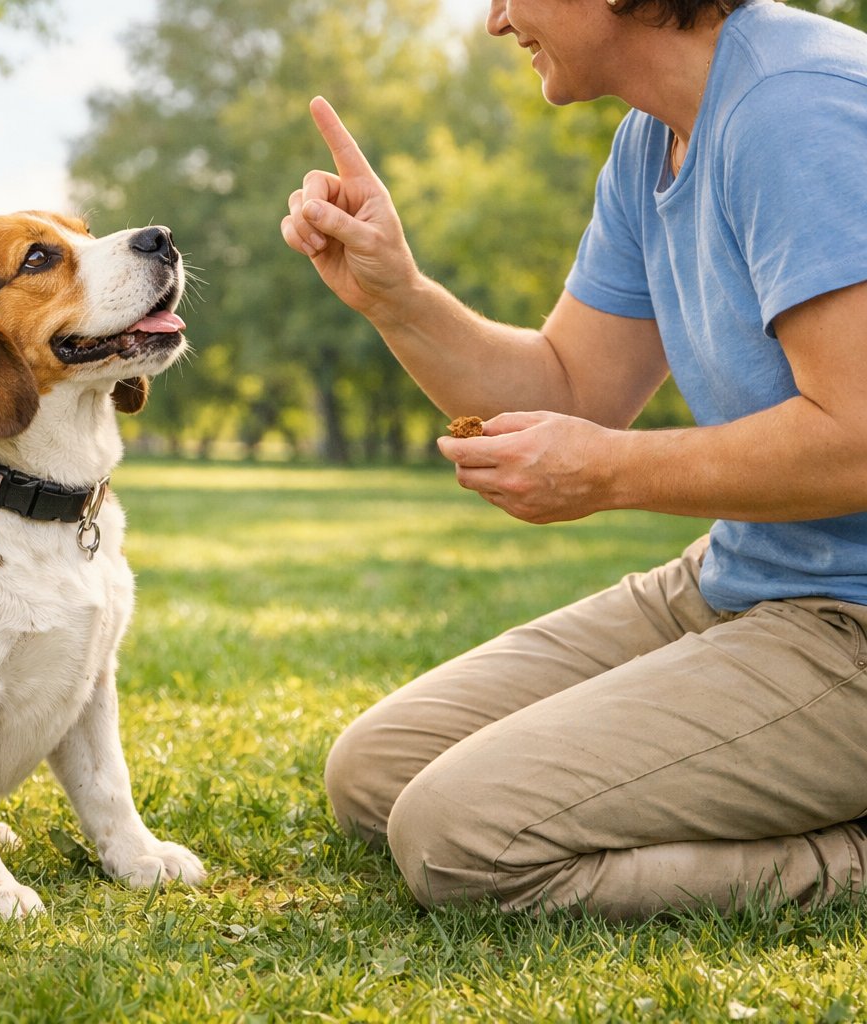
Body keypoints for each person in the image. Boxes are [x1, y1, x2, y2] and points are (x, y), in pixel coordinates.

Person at [282, 0, 867, 920]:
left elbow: (859, 436)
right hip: (745, 579)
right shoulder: (652, 141)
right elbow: (569, 388)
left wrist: (612, 471)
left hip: (855, 620)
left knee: (458, 837)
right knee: (376, 774)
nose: (495, 19)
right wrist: (397, 296)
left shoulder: (797, 110)